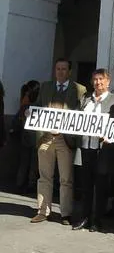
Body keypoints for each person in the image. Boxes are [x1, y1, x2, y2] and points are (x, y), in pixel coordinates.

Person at [31, 59, 87, 224]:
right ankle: (42, 210)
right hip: (46, 137)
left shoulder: (79, 89)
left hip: (65, 138)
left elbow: (82, 112)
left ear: (69, 71)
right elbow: (38, 105)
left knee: (66, 179)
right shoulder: (46, 86)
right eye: (58, 69)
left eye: (64, 69)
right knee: (44, 176)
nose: (60, 72)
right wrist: (30, 113)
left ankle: (65, 213)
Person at [72, 69, 114, 232]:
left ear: (108, 82)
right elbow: (76, 118)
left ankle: (96, 219)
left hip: (102, 150)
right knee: (85, 185)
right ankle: (84, 217)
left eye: (101, 79)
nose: (98, 82)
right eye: (95, 79)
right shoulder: (85, 98)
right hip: (86, 147)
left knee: (100, 186)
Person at [14, 80, 41, 193]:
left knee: (24, 162)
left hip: (25, 135)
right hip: (36, 136)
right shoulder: (39, 102)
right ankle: (30, 185)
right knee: (33, 163)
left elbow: (20, 118)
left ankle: (20, 184)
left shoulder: (25, 101)